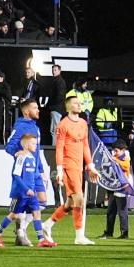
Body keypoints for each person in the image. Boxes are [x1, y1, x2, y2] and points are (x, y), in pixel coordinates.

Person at [0, 130, 53, 249]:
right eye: (33, 144)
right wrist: (26, 189)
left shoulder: (32, 158)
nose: (36, 146)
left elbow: (31, 177)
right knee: (14, 215)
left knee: (37, 213)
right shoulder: (21, 157)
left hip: (31, 193)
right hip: (22, 193)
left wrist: (35, 186)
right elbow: (16, 175)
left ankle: (41, 240)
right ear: (26, 145)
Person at [53, 94, 93, 246]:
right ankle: (79, 236)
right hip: (68, 164)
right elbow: (59, 148)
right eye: (76, 103)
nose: (79, 105)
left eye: (80, 103)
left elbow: (85, 145)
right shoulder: (63, 125)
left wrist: (90, 165)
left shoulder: (83, 123)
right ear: (69, 106)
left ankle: (47, 225)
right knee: (80, 199)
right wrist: (59, 169)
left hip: (79, 166)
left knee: (70, 203)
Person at [100, 137, 133, 239]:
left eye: (116, 151)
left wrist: (115, 161)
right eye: (114, 150)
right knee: (110, 211)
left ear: (123, 150)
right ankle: (109, 231)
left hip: (122, 188)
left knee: (122, 211)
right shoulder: (113, 158)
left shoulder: (125, 158)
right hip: (112, 187)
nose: (114, 152)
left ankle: (124, 232)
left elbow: (125, 166)